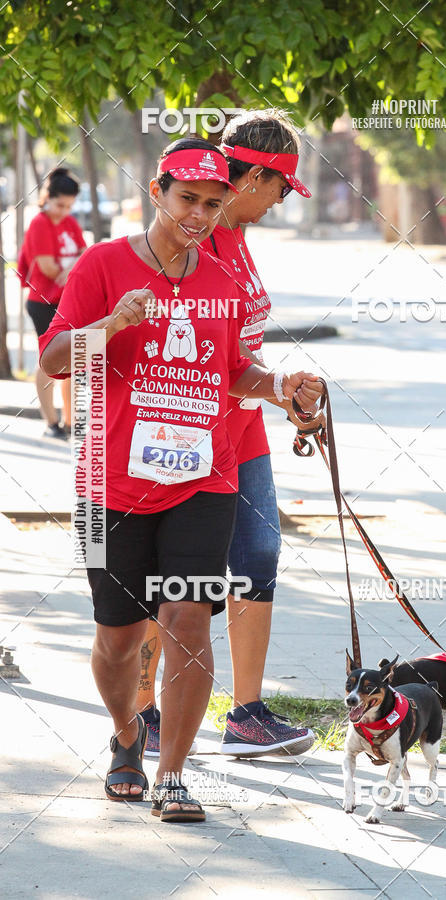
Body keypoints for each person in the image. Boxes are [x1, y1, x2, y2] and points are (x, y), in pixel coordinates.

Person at [39, 137, 323, 823]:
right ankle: (129, 734)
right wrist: (111, 323)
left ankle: (173, 776)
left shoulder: (221, 282)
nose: (199, 214)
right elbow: (52, 359)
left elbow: (234, 373)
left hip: (204, 479)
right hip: (110, 483)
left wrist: (282, 386)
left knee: (187, 618)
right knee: (119, 638)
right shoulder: (104, 265)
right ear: (158, 191)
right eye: (188, 199)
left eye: (212, 203)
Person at [136, 111, 319, 759]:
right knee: (179, 571)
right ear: (256, 176)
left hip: (242, 429)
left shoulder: (236, 234)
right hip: (188, 429)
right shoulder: (188, 237)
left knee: (259, 557)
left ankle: (246, 713)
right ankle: (141, 713)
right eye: (278, 188)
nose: (277, 202)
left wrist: (283, 390)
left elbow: (239, 347)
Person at [18, 167, 86, 438]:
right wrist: (73, 265)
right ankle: (51, 423)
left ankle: (71, 423)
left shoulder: (70, 223)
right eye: (60, 205)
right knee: (49, 361)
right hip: (42, 301)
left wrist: (67, 268)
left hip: (65, 300)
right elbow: (47, 268)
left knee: (72, 361)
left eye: (69, 206)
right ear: (48, 198)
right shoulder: (40, 223)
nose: (64, 212)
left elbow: (85, 254)